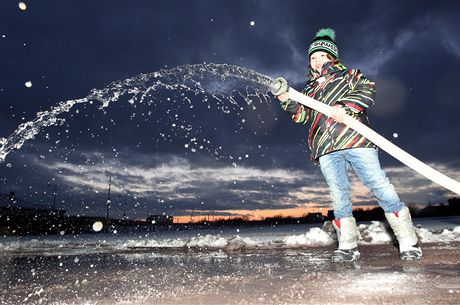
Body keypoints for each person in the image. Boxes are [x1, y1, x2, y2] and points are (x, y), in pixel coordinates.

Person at [277, 28, 422, 262]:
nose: (316, 60)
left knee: (379, 185)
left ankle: (408, 241)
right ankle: (347, 246)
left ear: (331, 57)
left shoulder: (350, 75)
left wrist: (346, 105)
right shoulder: (309, 90)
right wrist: (287, 100)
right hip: (325, 147)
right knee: (339, 195)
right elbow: (302, 116)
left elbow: (367, 90)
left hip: (356, 140)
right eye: (312, 57)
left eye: (321, 55)